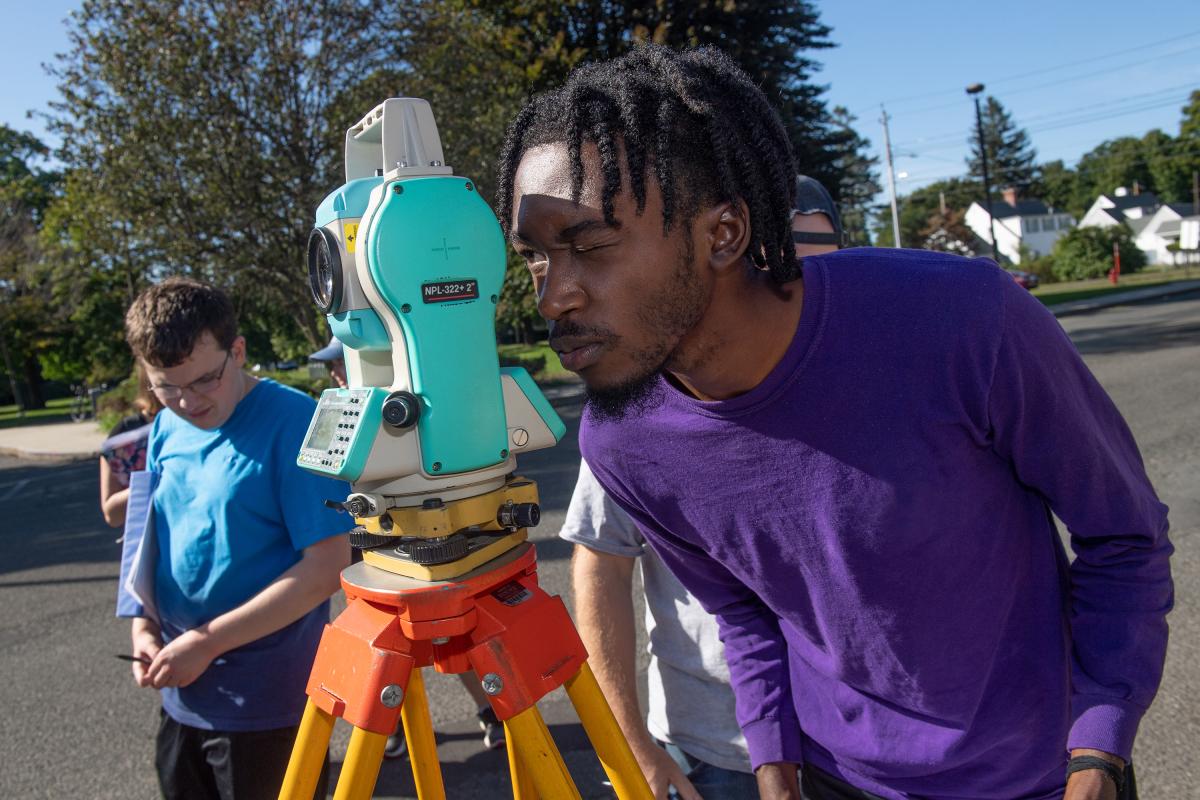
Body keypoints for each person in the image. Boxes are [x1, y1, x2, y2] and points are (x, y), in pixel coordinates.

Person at [496, 45, 1171, 800]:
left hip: (1051, 778)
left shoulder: (965, 322)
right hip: (834, 780)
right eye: (534, 257)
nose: (552, 297)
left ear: (721, 234)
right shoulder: (624, 441)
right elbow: (742, 609)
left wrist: (1099, 749)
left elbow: (1124, 536)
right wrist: (775, 764)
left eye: (588, 245)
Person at [562, 177, 843, 800]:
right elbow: (600, 567)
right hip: (718, 750)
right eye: (779, 262)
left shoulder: (872, 385)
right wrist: (631, 748)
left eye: (824, 264)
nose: (800, 287)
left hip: (872, 752)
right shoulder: (638, 406)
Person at [123, 277, 352, 800]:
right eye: (166, 385)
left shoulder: (296, 421)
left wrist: (208, 642)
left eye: (204, 380)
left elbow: (327, 565)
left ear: (238, 350)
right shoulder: (165, 425)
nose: (186, 402)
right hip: (182, 682)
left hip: (265, 698)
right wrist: (142, 626)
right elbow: (147, 534)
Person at [306, 334, 507, 757]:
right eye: (334, 365)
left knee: (454, 634)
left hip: (427, 544)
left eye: (340, 361)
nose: (338, 372)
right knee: (385, 645)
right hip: (378, 543)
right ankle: (386, 725)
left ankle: (493, 709)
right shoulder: (347, 413)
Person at [99, 364, 163, 528]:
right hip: (151, 541)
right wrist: (156, 483)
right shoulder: (124, 435)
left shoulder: (205, 421)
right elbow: (111, 515)